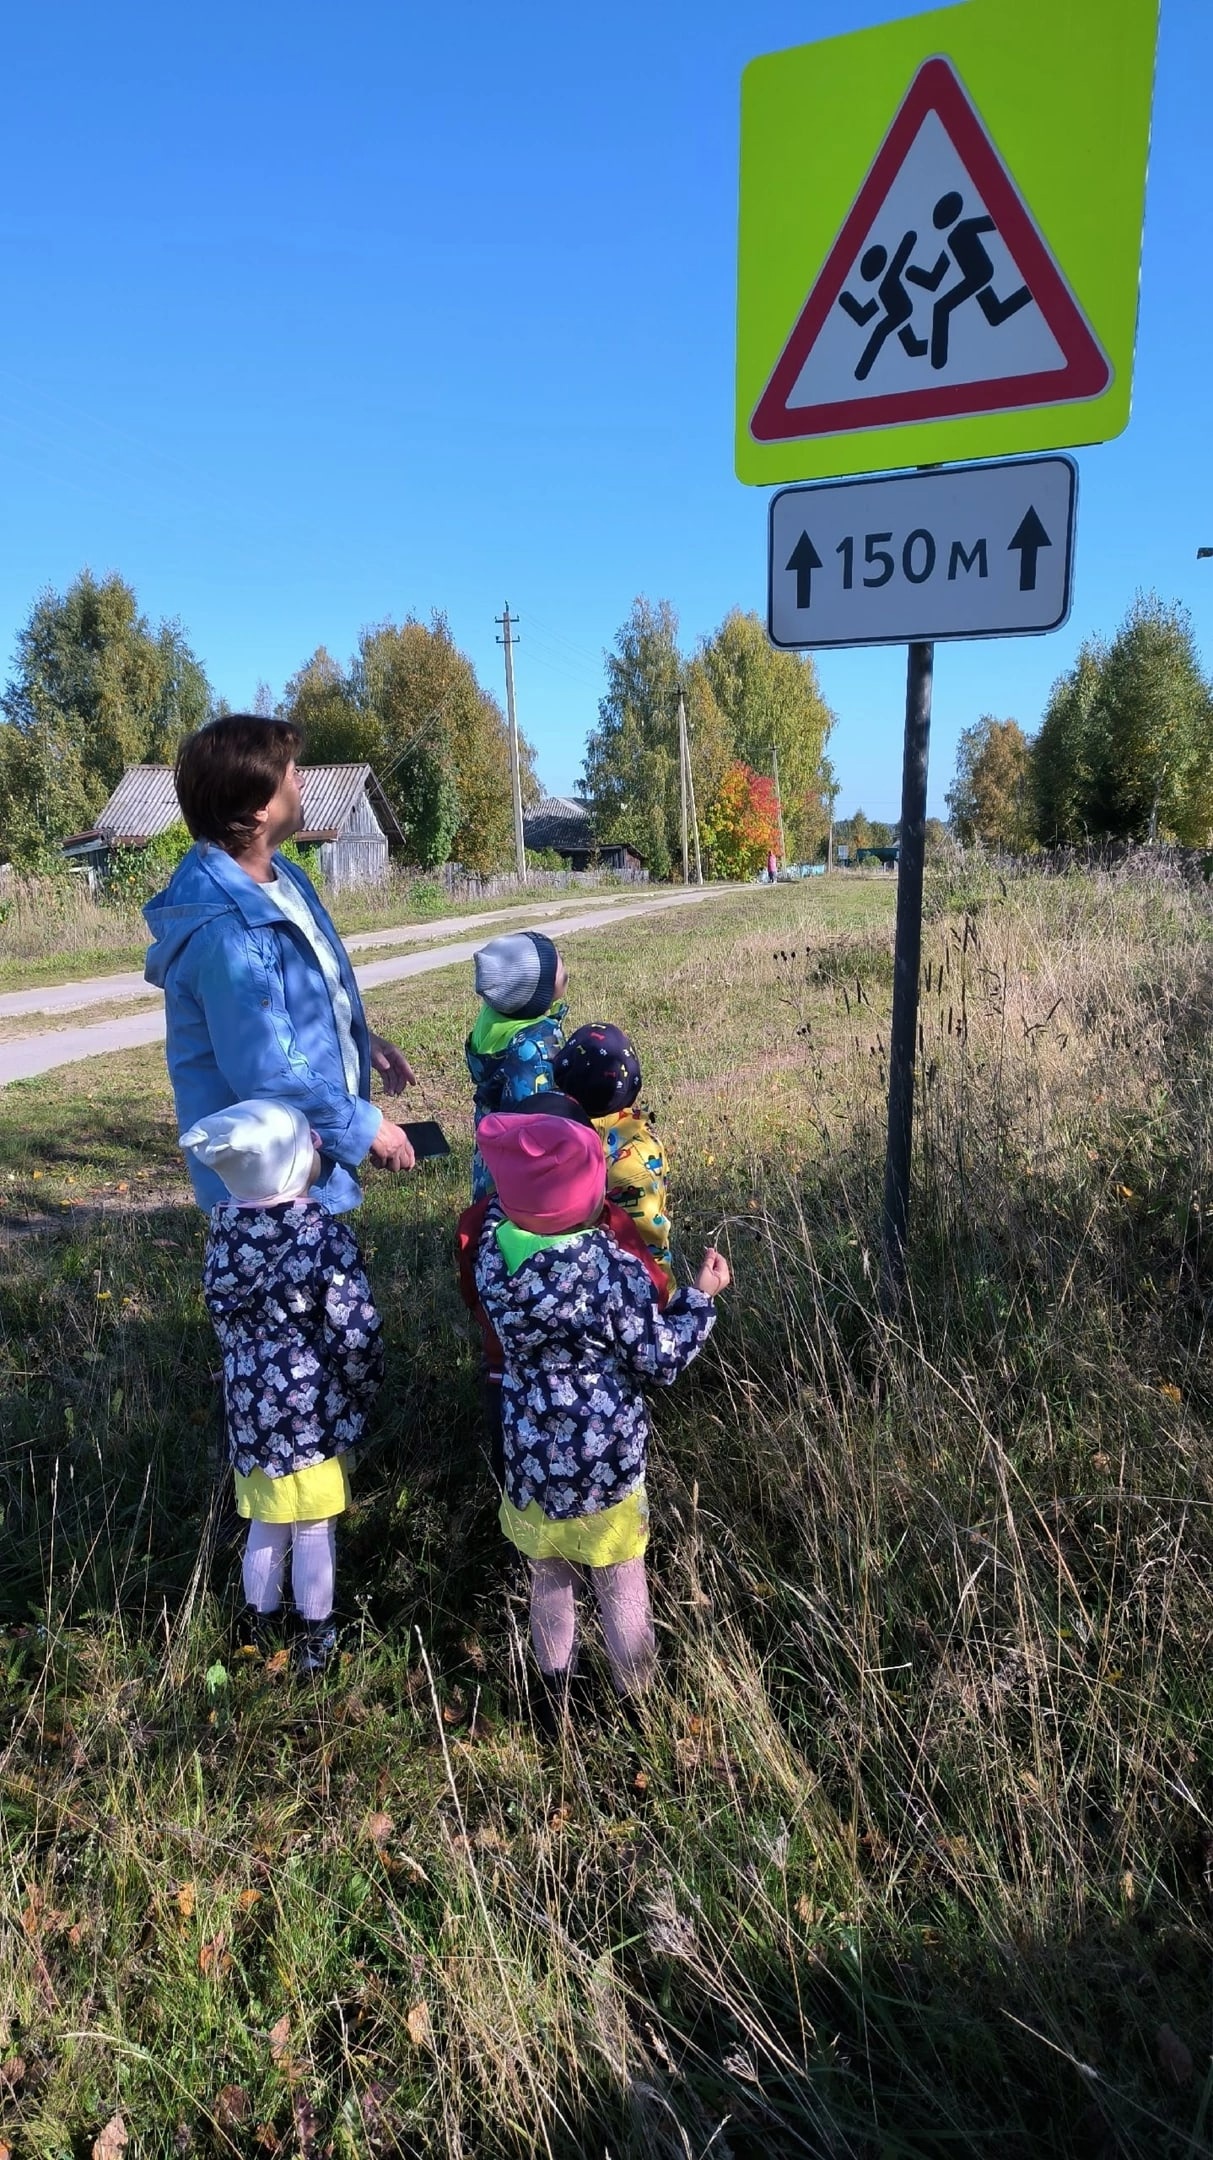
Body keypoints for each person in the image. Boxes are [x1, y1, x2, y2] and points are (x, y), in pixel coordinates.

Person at [472, 1108, 730, 1731]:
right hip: (604, 1461)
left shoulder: (492, 1258)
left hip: (530, 1458)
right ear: (587, 1195)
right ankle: (637, 1705)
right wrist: (700, 1298)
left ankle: (552, 1702)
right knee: (620, 1581)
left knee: (550, 1578)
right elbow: (660, 1358)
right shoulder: (608, 1270)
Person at [145, 713, 417, 1217]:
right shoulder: (227, 931)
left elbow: (300, 997)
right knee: (297, 1295)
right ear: (255, 810)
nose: (302, 777)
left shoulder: (284, 877)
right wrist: (364, 1126)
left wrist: (357, 1039)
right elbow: (268, 1071)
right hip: (267, 1187)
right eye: (290, 770)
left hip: (304, 1155)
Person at [180, 1098, 384, 1674]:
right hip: (310, 1414)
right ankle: (316, 1636)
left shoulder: (226, 1234)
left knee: (266, 1520)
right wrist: (364, 1384)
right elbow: (355, 1329)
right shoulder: (322, 1241)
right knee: (314, 1524)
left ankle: (256, 1625)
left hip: (249, 1411)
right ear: (296, 1165)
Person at [455, 1089, 673, 1481]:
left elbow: (470, 1291)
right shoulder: (609, 1226)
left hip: (505, 1376)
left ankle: (520, 1535)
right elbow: (654, 1291)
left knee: (513, 1472)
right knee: (608, 1534)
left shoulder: (482, 1225)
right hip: (598, 1416)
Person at [553, 1023, 673, 1292]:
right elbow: (647, 1241)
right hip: (645, 1293)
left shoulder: (552, 1135)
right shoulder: (639, 1155)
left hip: (578, 1287)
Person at [464, 930, 569, 1198]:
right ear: (534, 995)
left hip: (492, 1138)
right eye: (556, 965)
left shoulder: (492, 1020)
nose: (563, 963)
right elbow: (543, 1113)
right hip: (529, 1155)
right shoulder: (537, 1043)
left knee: (489, 1202)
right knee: (520, 1207)